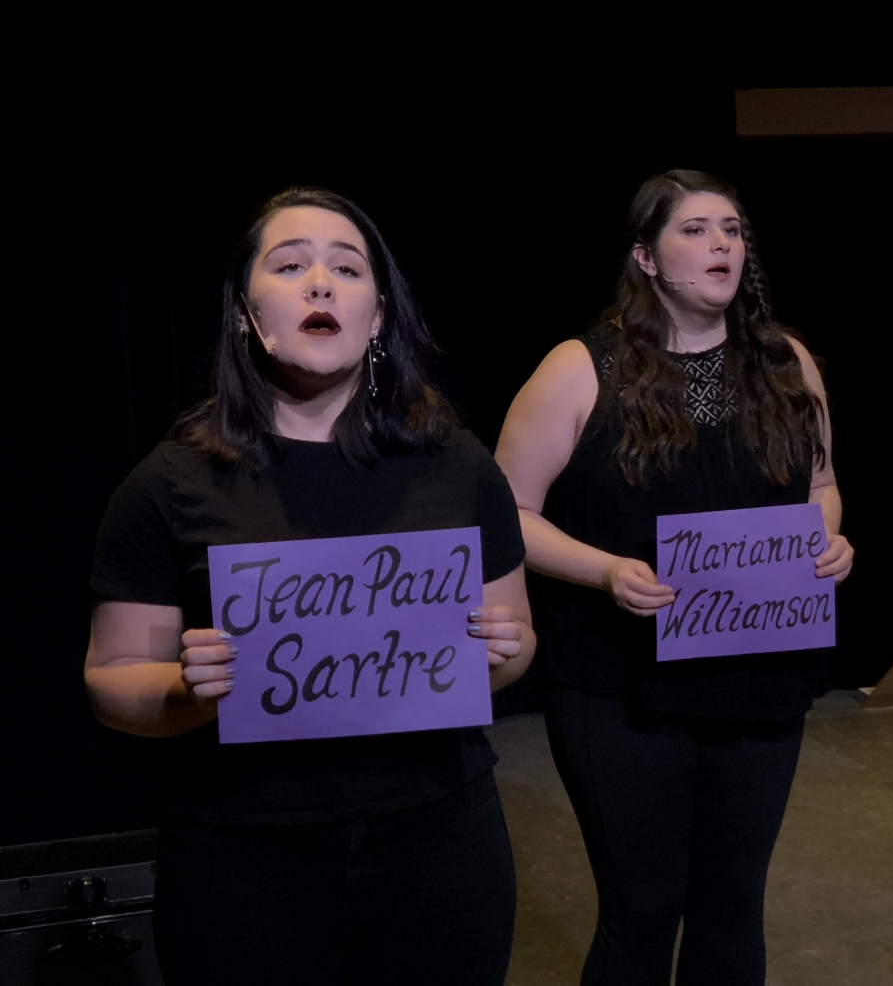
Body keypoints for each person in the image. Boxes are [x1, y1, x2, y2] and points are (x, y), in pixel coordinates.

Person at [85, 187, 533, 986]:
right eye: (290, 266)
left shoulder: (456, 463)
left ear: (379, 316)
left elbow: (516, 642)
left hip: (439, 841)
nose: (321, 283)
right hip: (243, 859)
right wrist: (190, 690)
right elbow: (110, 679)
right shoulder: (169, 483)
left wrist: (499, 652)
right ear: (244, 312)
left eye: (347, 269)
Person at [495, 169, 852, 985]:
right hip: (622, 688)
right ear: (646, 258)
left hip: (759, 678)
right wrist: (606, 571)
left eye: (732, 229)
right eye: (695, 230)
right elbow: (507, 513)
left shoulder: (786, 363)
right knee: (644, 910)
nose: (722, 243)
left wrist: (827, 541)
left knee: (733, 907)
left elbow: (823, 486)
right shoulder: (581, 368)